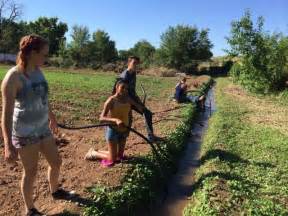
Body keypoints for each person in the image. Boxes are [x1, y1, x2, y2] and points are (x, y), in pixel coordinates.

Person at [1, 34, 65, 216]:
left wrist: (51, 117)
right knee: (31, 172)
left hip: (42, 129)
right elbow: (5, 114)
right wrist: (8, 144)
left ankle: (55, 191)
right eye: (44, 54)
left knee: (56, 162)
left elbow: (43, 96)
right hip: (25, 133)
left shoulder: (38, 70)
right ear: (31, 53)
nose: (46, 58)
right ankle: (30, 210)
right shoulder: (13, 77)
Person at [85, 80, 143, 167]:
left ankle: (102, 151)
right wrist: (115, 120)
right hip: (113, 131)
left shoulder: (128, 100)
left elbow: (135, 111)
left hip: (124, 130)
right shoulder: (111, 100)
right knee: (113, 159)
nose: (125, 90)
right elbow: (101, 118)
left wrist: (140, 106)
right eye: (122, 88)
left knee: (120, 157)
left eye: (127, 89)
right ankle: (93, 153)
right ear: (117, 87)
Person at [117, 56, 160, 142]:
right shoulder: (124, 76)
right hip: (123, 101)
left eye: (137, 64)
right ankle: (118, 140)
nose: (136, 65)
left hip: (131, 99)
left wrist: (139, 102)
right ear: (128, 63)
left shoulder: (133, 73)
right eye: (134, 63)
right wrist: (137, 105)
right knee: (126, 121)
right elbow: (124, 95)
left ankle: (151, 137)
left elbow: (132, 91)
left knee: (147, 113)